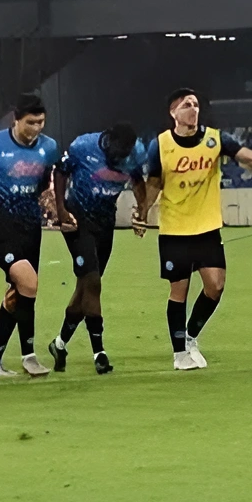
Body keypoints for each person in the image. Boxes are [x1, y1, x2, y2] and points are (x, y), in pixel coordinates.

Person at [136, 88, 252, 371]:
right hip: (175, 229)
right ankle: (179, 353)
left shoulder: (216, 139)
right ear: (173, 113)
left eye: (195, 104)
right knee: (178, 290)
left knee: (215, 286)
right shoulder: (161, 145)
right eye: (186, 105)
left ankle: (191, 335)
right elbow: (154, 182)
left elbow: (251, 158)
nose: (193, 109)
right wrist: (142, 211)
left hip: (207, 227)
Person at [0, 95, 62, 379]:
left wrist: (53, 207)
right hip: (1, 226)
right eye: (30, 122)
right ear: (16, 120)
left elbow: (45, 185)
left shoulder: (49, 148)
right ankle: (29, 355)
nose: (36, 128)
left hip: (30, 227)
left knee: (17, 293)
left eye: (41, 122)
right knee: (28, 282)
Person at [50, 122, 145, 375]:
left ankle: (59, 344)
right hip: (78, 220)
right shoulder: (84, 146)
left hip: (105, 223)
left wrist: (142, 209)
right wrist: (61, 210)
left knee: (85, 288)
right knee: (93, 283)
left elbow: (138, 181)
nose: (120, 160)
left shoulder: (136, 153)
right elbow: (60, 172)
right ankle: (99, 352)